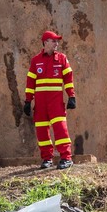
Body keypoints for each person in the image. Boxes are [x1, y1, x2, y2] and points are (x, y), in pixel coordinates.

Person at [23, 30, 76, 170]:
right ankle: (47, 159)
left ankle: (66, 158)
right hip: (40, 104)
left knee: (60, 129)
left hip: (55, 102)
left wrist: (71, 96)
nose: (56, 43)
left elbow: (68, 79)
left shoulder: (62, 59)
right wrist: (28, 101)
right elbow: (30, 83)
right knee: (41, 130)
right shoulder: (36, 60)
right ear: (45, 42)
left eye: (57, 41)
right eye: (53, 41)